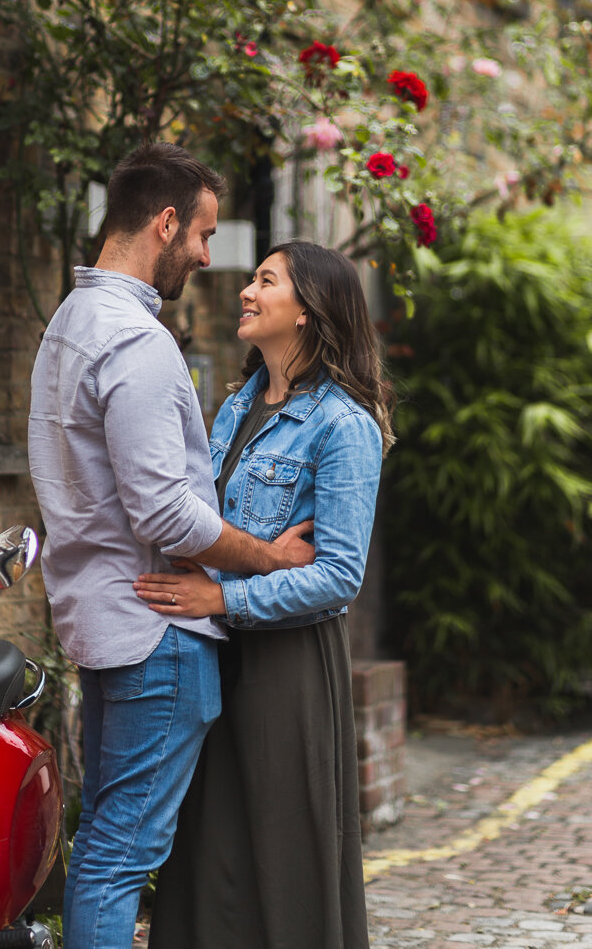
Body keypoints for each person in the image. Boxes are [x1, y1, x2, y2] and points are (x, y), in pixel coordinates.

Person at [27, 144, 313, 949]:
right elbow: (165, 512)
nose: (206, 254)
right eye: (203, 233)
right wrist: (266, 555)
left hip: (105, 622)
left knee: (106, 846)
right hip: (159, 632)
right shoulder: (137, 340)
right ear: (164, 222)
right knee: (119, 855)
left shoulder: (68, 327)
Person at [135, 240, 395, 949]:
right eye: (252, 278)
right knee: (209, 847)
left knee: (282, 856)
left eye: (264, 280)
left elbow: (339, 575)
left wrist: (222, 599)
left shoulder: (343, 423)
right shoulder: (238, 403)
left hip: (287, 665)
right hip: (215, 653)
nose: (246, 290)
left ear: (307, 310)